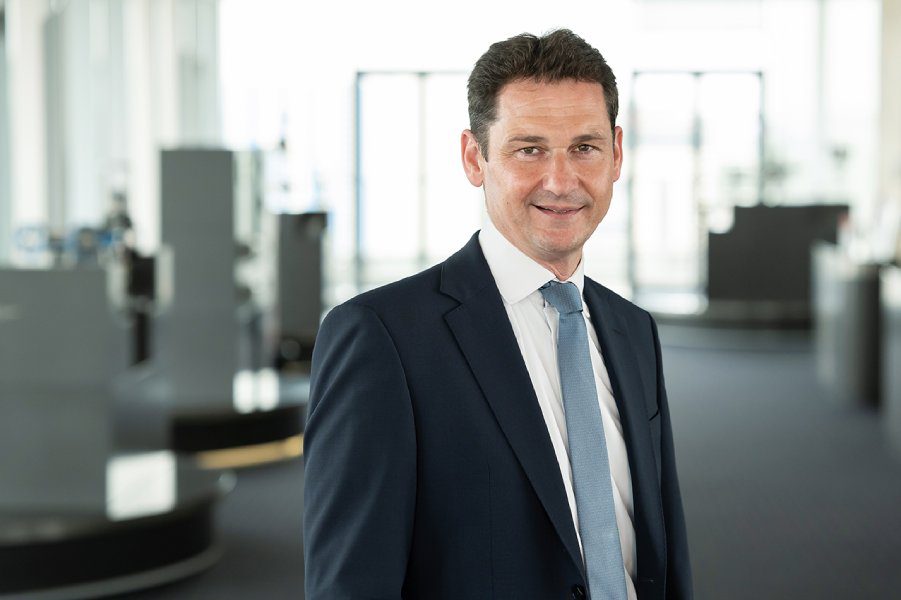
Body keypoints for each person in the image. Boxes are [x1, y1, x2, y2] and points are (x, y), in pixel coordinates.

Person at [304, 29, 692, 600]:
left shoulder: (633, 330)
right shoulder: (382, 339)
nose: (560, 181)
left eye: (584, 148)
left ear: (616, 155)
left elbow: (662, 557)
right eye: (529, 149)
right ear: (474, 157)